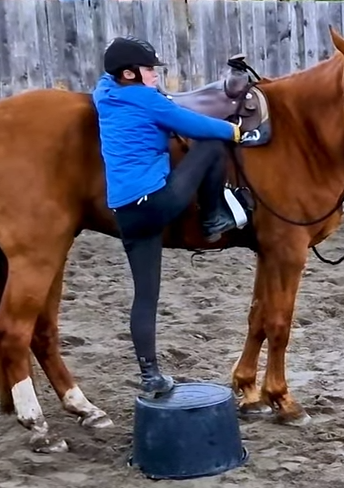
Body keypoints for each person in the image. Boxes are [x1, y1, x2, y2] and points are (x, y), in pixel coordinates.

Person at [91, 35, 252, 397]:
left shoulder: (104, 95)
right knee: (212, 146)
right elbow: (196, 126)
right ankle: (213, 217)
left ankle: (151, 377)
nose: (155, 76)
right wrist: (236, 131)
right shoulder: (148, 101)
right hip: (157, 202)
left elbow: (105, 81)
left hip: (125, 213)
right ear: (130, 73)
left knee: (145, 298)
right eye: (149, 70)